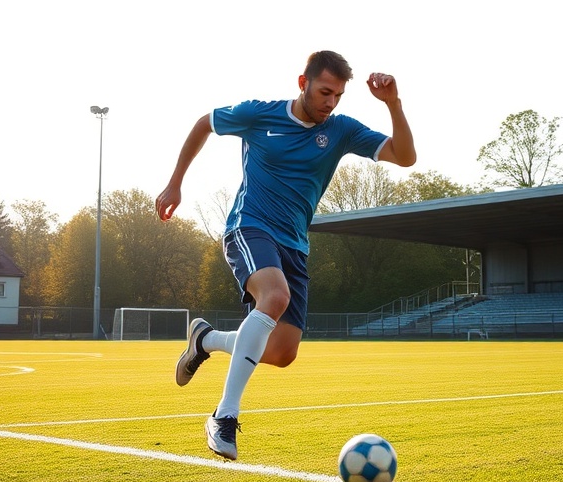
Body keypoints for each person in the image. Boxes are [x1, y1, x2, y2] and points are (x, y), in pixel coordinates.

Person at [155, 50, 416, 460]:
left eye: (338, 96)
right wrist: (175, 184)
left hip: (294, 244)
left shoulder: (341, 130)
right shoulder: (259, 114)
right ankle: (223, 417)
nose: (331, 103)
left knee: (281, 353)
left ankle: (204, 340)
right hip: (250, 226)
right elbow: (204, 123)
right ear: (303, 82)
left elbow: (405, 156)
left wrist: (394, 106)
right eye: (325, 92)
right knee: (274, 298)